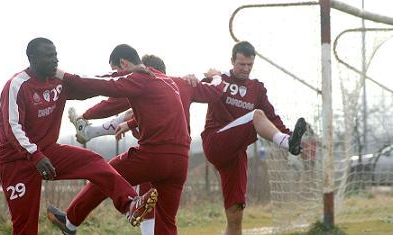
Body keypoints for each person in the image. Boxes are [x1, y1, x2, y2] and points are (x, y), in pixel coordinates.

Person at [0, 38, 157, 235]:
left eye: (55, 55)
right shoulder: (17, 85)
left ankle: (130, 204)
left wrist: (128, 74)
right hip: (16, 161)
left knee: (94, 161)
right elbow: (13, 127)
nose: (55, 60)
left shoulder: (59, 82)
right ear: (32, 58)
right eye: (48, 56)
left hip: (47, 151)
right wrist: (35, 156)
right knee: (25, 227)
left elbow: (92, 83)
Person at [47, 44, 193, 235]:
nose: (116, 74)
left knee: (105, 174)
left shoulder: (140, 78)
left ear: (123, 63)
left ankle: (70, 222)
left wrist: (59, 73)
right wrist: (131, 124)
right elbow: (159, 113)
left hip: (154, 156)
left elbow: (101, 84)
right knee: (166, 222)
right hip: (180, 161)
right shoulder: (165, 81)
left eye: (116, 70)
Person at [200, 41, 306, 235]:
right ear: (232, 61)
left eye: (250, 65)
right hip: (215, 141)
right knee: (256, 115)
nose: (246, 69)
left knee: (235, 214)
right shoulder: (220, 80)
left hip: (236, 153)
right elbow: (197, 88)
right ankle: (286, 143)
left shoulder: (256, 89)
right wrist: (209, 76)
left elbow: (272, 117)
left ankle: (288, 141)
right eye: (241, 64)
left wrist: (292, 135)